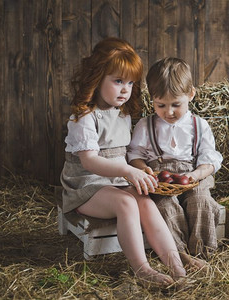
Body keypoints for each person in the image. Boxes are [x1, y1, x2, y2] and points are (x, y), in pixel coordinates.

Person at [60, 37, 186, 288]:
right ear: (97, 78)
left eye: (130, 82)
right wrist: (127, 170)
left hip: (115, 182)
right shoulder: (84, 118)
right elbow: (91, 162)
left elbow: (123, 155)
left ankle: (178, 265)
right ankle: (142, 269)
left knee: (146, 203)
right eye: (118, 81)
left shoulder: (124, 114)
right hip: (85, 188)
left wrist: (139, 169)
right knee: (127, 204)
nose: (125, 89)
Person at [127, 57, 223, 268]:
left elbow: (210, 159)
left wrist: (195, 175)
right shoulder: (146, 125)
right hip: (161, 182)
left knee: (202, 203)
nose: (168, 112)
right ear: (152, 99)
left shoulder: (199, 125)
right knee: (165, 208)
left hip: (192, 177)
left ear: (191, 94)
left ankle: (203, 253)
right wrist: (144, 169)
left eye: (176, 105)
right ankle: (179, 254)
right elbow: (134, 155)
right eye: (160, 105)